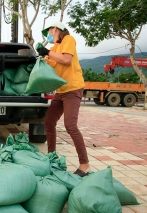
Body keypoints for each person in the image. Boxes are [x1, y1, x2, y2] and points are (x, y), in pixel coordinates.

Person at [37, 21, 90, 177]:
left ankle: (85, 164)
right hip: (60, 91)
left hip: (73, 89)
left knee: (70, 125)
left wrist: (46, 51)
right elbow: (50, 62)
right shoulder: (54, 48)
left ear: (56, 29)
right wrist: (41, 57)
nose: (49, 35)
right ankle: (51, 157)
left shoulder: (69, 40)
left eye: (50, 32)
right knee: (48, 121)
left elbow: (66, 60)